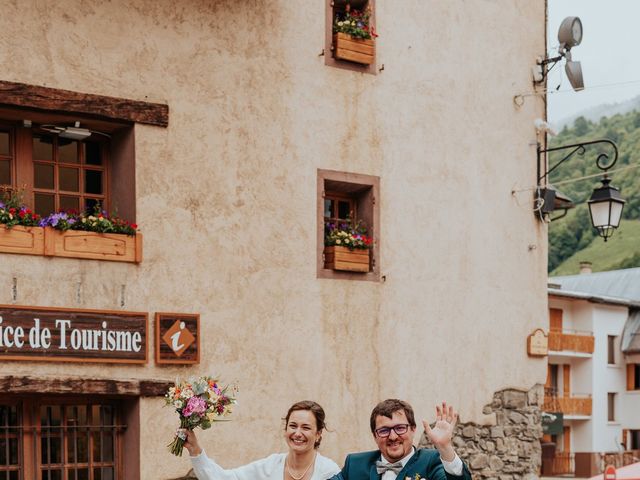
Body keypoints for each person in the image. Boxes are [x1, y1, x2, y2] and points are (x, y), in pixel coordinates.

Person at [182, 400, 341, 480]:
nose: (297, 433)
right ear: (286, 430)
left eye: (306, 428)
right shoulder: (270, 466)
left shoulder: (329, 472)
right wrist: (195, 449)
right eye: (293, 426)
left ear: (318, 433)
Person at [334, 399, 471, 480]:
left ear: (413, 429)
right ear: (374, 435)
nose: (393, 437)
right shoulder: (355, 464)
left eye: (400, 428)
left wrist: (445, 448)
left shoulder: (432, 461)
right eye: (384, 430)